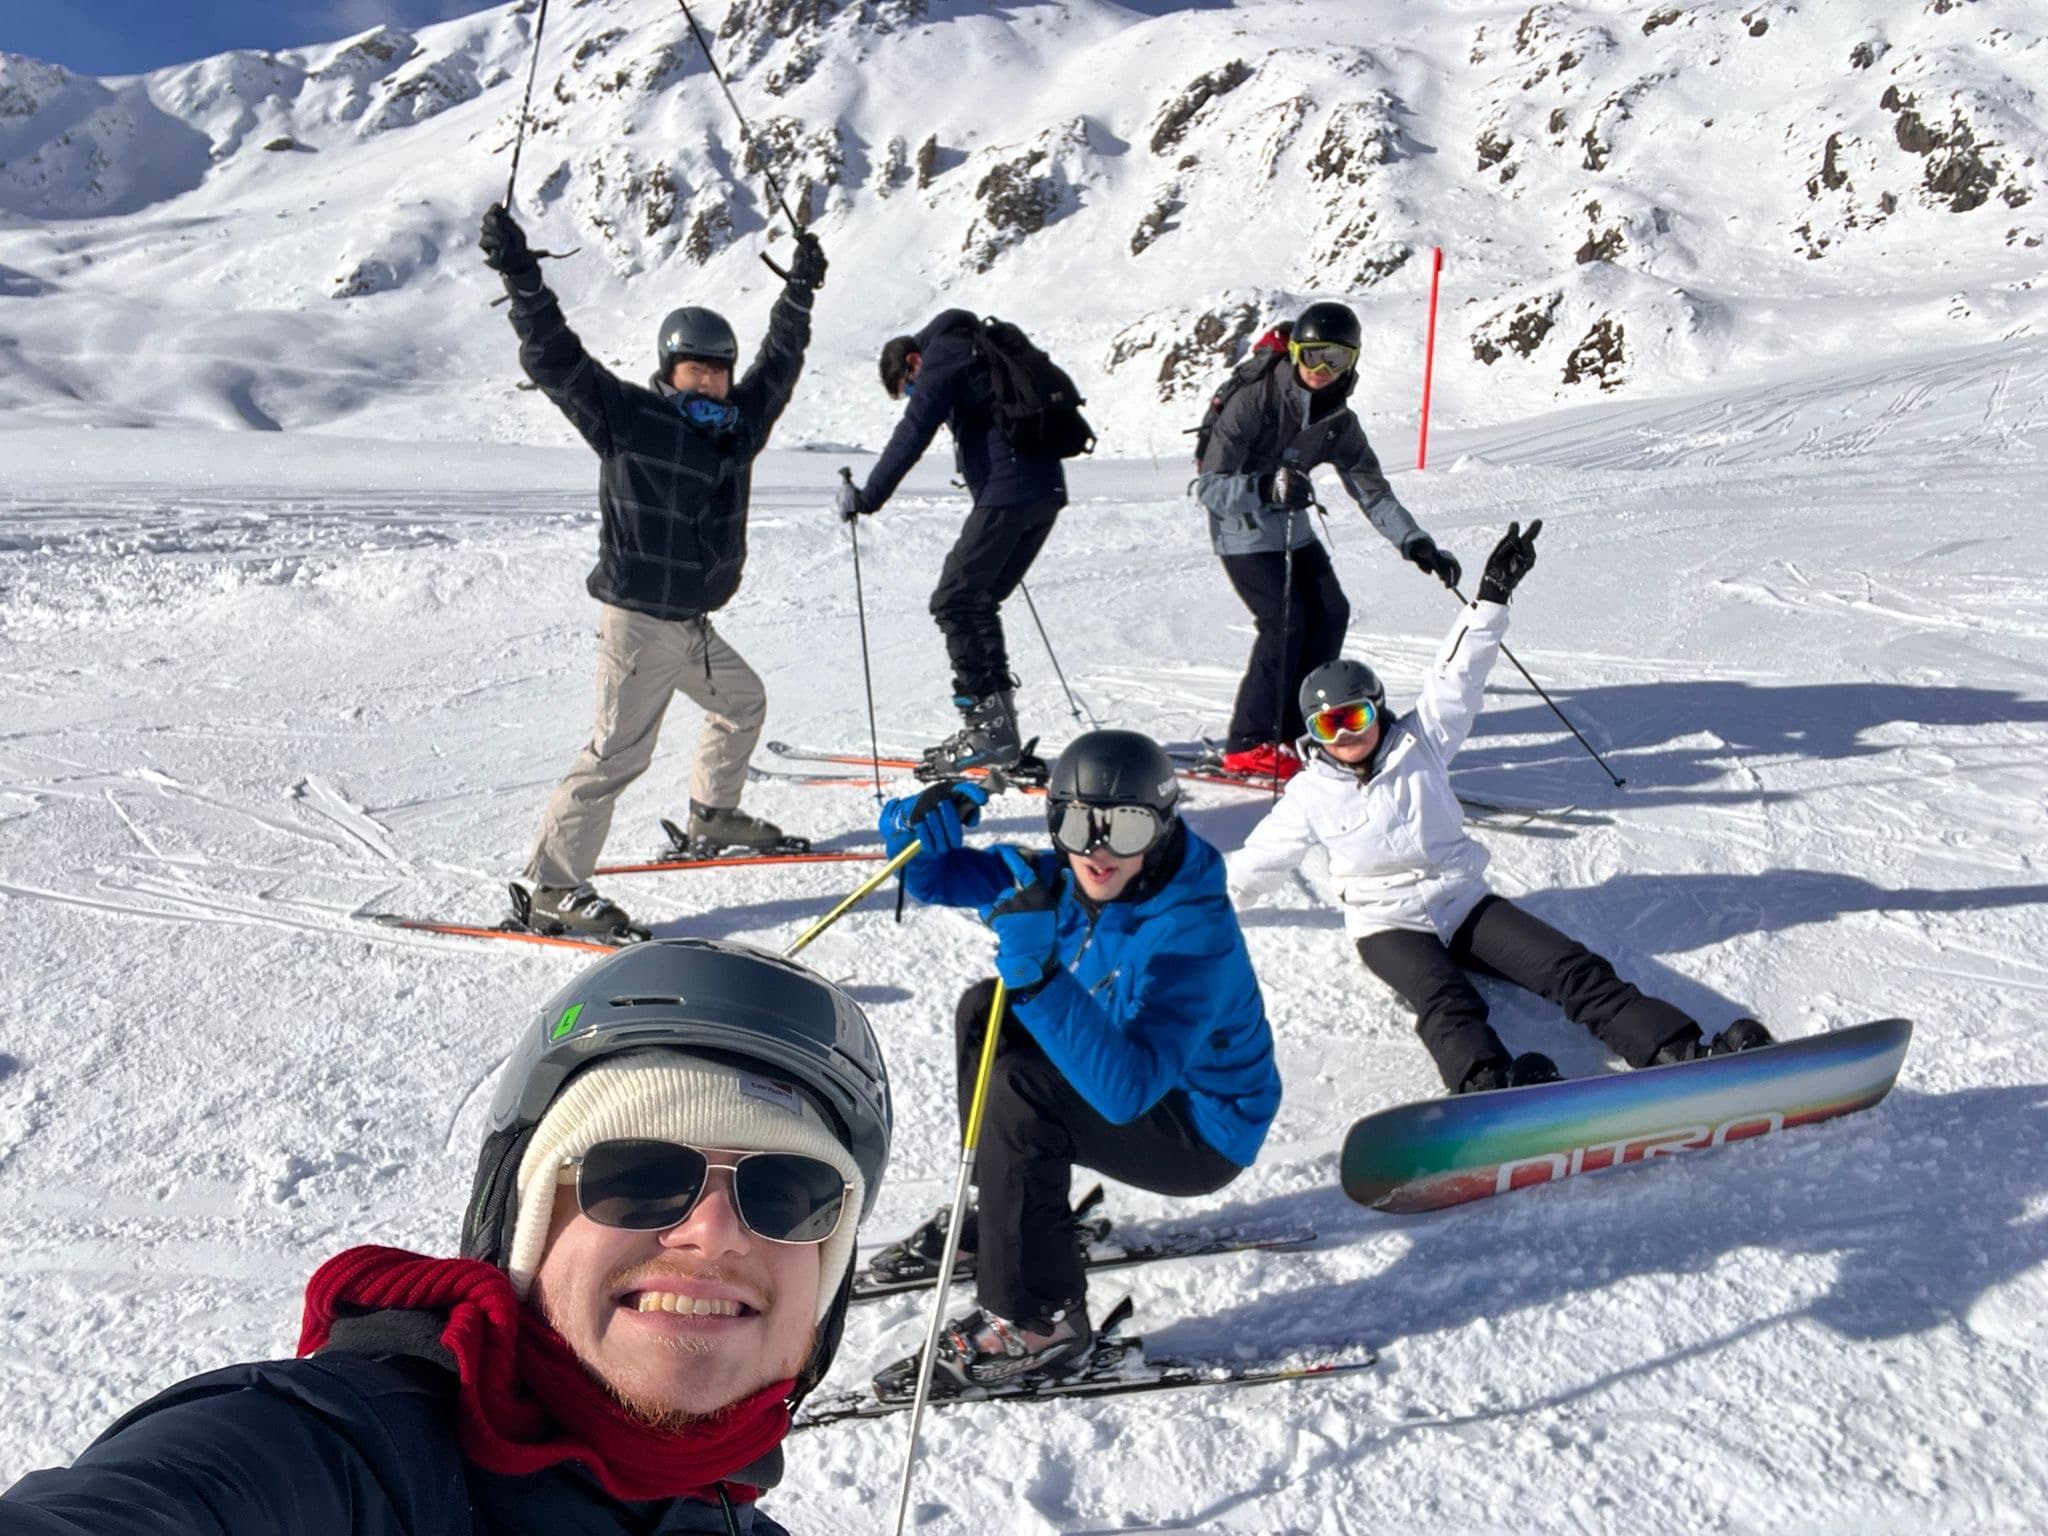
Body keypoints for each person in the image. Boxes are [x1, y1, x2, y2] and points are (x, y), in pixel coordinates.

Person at [0, 938, 893, 1533]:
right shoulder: (337, 1457)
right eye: (639, 1175)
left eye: (790, 1194)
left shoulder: (732, 1522)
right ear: (521, 1227)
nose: (714, 1230)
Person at [1227, 521, 1773, 1094]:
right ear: (1311, 734)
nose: (1345, 736)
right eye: (1327, 727)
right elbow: (1256, 863)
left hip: (1462, 902)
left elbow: (1457, 675)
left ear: (1378, 709)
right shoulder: (1310, 795)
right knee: (1446, 998)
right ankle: (1485, 1088)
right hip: (1387, 923)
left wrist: (1490, 598)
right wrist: (1184, 912)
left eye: (1355, 717)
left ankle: (1677, 1051)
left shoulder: (1422, 740)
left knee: (1570, 968)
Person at [863, 730, 1281, 1394]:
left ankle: (1040, 1324)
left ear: (1163, 826)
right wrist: (917, 839)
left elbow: (1127, 1092)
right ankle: (1002, 1213)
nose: (1098, 850)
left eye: (1127, 826)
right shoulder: (1069, 876)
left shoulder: (1191, 935)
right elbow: (943, 879)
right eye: (1078, 824)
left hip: (1202, 1130)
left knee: (1025, 1089)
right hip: (1142, 1080)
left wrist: (1037, 973)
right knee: (987, 1010)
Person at [479, 202, 829, 938]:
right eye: (696, 370)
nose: (710, 383)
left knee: (743, 701)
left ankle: (712, 815)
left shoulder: (738, 431)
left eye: (719, 372)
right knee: (616, 754)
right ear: (670, 371)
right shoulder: (629, 418)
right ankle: (552, 887)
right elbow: (556, 359)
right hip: (639, 625)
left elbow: (779, 367)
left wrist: (798, 295)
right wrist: (521, 279)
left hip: (691, 625)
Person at [1195, 299, 1463, 784]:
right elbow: (1210, 489)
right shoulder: (1254, 401)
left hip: (1292, 529)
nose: (1321, 368)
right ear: (1295, 352)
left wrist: (1414, 542)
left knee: (1331, 612)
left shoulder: (1338, 421)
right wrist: (1265, 487)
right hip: (1242, 530)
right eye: (1312, 355)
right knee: (1284, 622)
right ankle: (1249, 744)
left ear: (1352, 362)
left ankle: (1299, 730)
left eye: (1335, 358)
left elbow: (1373, 493)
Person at [833, 312, 1071, 775]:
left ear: (912, 362)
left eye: (909, 389)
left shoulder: (943, 356)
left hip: (1010, 493)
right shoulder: (976, 350)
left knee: (954, 601)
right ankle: (1001, 734)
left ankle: (990, 734)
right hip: (1044, 492)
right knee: (976, 603)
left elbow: (912, 434)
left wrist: (866, 498)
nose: (915, 395)